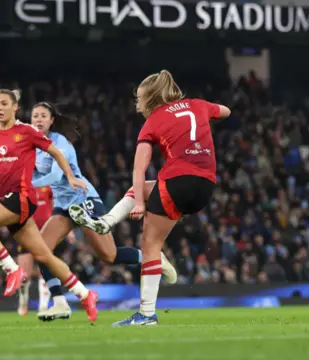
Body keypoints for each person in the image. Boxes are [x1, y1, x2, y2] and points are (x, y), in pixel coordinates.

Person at [84, 70, 230, 326]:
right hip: (205, 186)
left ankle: (146, 313)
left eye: (140, 99)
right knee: (149, 188)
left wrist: (140, 205)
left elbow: (139, 167)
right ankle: (107, 221)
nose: (137, 105)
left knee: (150, 244)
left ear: (151, 99)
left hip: (177, 180)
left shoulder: (153, 121)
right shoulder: (198, 105)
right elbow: (226, 111)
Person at [0, 89, 99, 322]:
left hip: (21, 197)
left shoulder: (26, 131)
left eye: (3, 103)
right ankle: (85, 294)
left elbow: (56, 152)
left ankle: (11, 270)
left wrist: (69, 175)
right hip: (10, 200)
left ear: (15, 107)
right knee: (44, 256)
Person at [26, 102, 178, 322]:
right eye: (34, 116)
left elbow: (55, 177)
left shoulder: (61, 144)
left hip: (84, 200)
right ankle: (59, 303)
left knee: (109, 255)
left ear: (51, 121)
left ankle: (153, 259)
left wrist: (28, 183)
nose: (38, 119)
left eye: (43, 116)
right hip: (63, 206)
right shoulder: (33, 146)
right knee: (40, 249)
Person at [17, 186, 53, 317]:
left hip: (46, 232)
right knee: (23, 276)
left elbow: (55, 207)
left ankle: (43, 307)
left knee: (45, 270)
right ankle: (23, 302)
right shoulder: (22, 186)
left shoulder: (48, 186)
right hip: (27, 232)